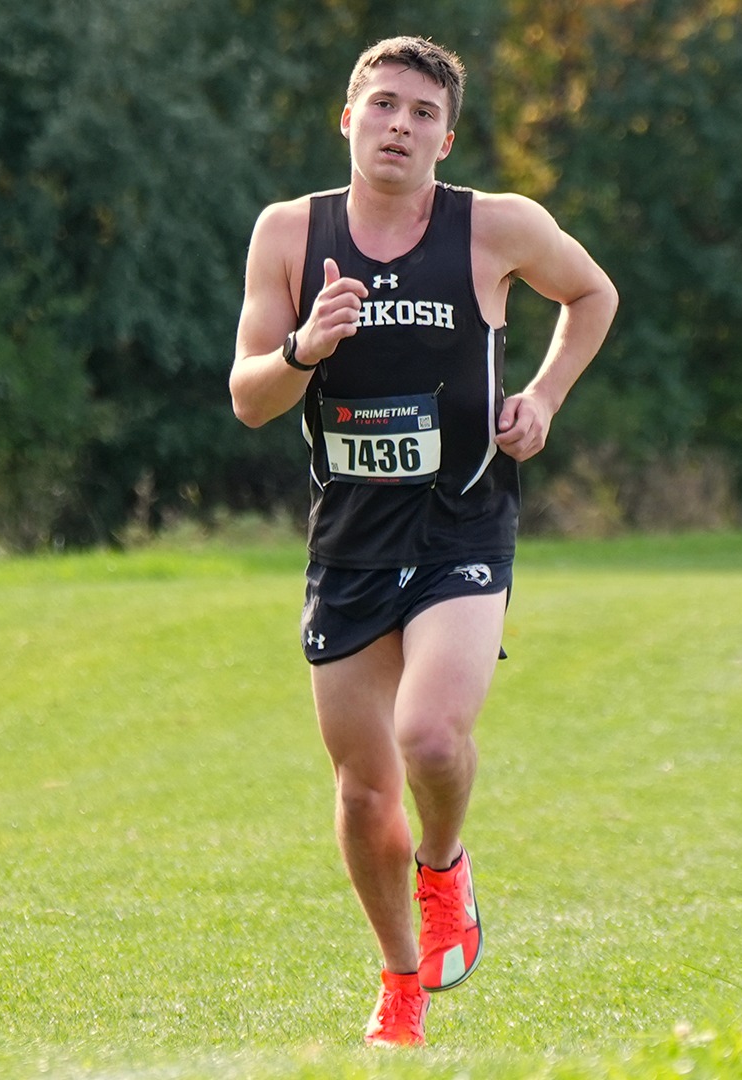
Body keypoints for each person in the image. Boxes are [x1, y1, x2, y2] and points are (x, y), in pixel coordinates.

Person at [227, 37, 617, 1048]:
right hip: (349, 534)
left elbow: (592, 295)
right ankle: (400, 980)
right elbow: (248, 401)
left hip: (461, 521)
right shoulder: (288, 234)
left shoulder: (496, 227)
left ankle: (444, 867)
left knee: (430, 736)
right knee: (362, 795)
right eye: (383, 104)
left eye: (421, 112)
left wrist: (542, 396)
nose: (400, 123)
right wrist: (306, 346)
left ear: (447, 136)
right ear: (347, 119)